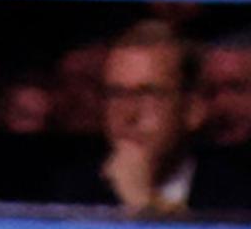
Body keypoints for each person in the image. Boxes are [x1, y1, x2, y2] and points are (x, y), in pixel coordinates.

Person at [52, 22, 201, 217]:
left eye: (148, 93)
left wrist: (143, 203)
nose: (129, 113)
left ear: (192, 110)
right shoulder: (70, 197)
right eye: (116, 94)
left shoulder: (236, 195)